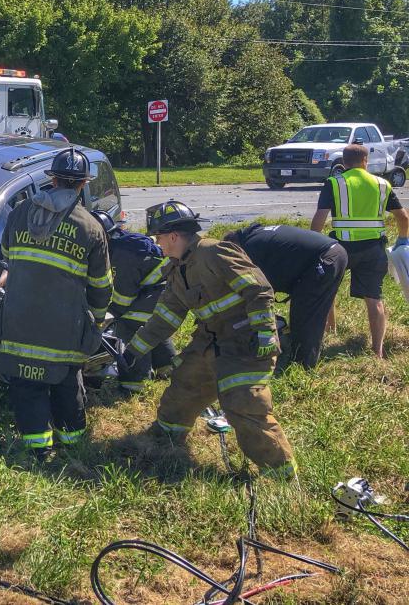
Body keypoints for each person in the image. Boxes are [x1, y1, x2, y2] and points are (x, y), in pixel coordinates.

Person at [123, 200, 297, 479]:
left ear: (173, 236)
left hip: (246, 342)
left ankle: (281, 472)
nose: (157, 244)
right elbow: (166, 316)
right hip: (210, 340)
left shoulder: (214, 252)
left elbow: (259, 289)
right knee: (185, 384)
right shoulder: (177, 268)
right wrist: (134, 350)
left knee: (244, 403)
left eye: (158, 238)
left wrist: (265, 332)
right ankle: (167, 435)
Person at [0, 147, 112, 462]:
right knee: (64, 382)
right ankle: (72, 443)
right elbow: (101, 286)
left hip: (19, 321)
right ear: (82, 184)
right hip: (63, 329)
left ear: (53, 179)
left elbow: (6, 259)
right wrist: (97, 323)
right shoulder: (90, 228)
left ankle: (37, 449)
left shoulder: (20, 213)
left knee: (27, 386)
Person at [311, 143, 409, 359]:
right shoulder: (382, 184)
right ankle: (377, 351)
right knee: (374, 298)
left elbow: (319, 219)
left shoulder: (334, 184)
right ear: (366, 161)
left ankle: (330, 330)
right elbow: (403, 217)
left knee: (329, 289)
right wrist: (403, 240)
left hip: (339, 248)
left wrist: (313, 244)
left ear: (344, 163)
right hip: (373, 249)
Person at [223, 224, 348, 370]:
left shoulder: (251, 249)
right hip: (333, 253)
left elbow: (259, 291)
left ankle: (302, 367)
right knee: (310, 308)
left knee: (305, 316)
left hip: (324, 259)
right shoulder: (256, 236)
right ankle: (301, 354)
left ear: (235, 246)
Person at [91, 210, 176, 391]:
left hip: (158, 294)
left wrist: (105, 315)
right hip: (161, 292)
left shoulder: (121, 256)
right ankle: (166, 367)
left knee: (130, 325)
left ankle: (135, 383)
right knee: (152, 328)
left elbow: (122, 299)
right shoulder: (122, 243)